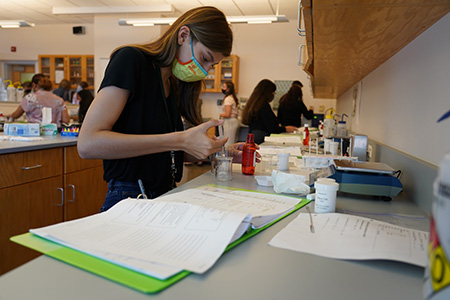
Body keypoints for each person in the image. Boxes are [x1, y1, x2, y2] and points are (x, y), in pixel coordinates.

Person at [77, 6, 248, 212]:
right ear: (183, 35)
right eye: (205, 58)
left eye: (212, 65)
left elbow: (167, 152)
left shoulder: (172, 83)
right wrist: (180, 139)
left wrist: (218, 152)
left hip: (163, 194)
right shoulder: (131, 60)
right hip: (131, 196)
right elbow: (88, 144)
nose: (205, 71)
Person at [241, 79, 297, 144]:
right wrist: (285, 128)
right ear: (268, 92)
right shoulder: (264, 106)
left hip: (254, 137)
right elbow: (271, 128)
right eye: (273, 92)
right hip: (261, 138)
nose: (273, 94)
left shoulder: (254, 104)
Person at [219, 81, 239, 145]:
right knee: (232, 142)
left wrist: (221, 114)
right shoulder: (232, 98)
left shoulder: (228, 99)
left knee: (228, 143)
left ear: (228, 89)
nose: (223, 88)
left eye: (224, 87)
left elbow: (227, 114)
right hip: (233, 122)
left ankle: (228, 154)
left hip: (230, 122)